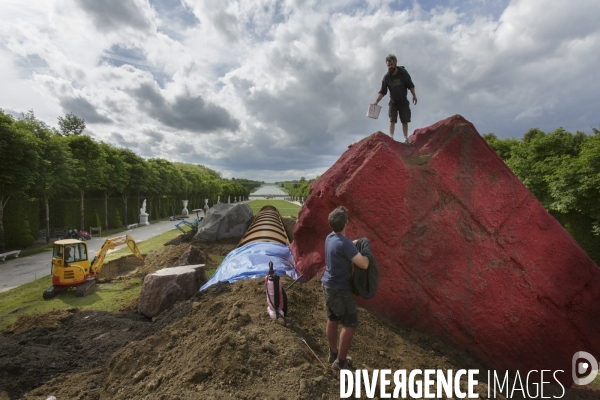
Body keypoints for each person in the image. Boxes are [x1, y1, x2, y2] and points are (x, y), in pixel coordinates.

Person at [321, 206, 370, 371]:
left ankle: (333, 354)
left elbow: (345, 245)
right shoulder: (345, 244)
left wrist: (355, 243)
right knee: (350, 324)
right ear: (346, 223)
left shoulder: (330, 237)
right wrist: (368, 255)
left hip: (327, 285)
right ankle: (341, 364)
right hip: (340, 290)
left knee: (333, 318)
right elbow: (363, 264)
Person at [374, 54, 417, 142]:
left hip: (403, 100)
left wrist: (414, 95)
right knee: (392, 119)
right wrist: (376, 101)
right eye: (388, 65)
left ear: (395, 63)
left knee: (404, 120)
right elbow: (382, 91)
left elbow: (410, 84)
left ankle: (405, 138)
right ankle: (391, 138)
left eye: (391, 65)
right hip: (393, 101)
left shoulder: (403, 73)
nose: (390, 67)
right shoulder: (386, 78)